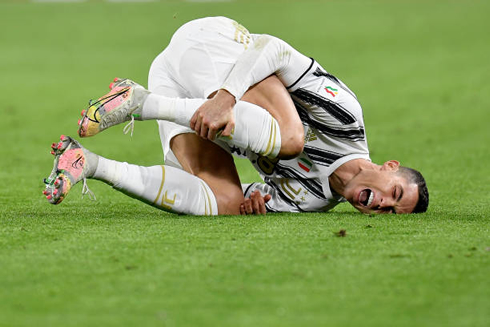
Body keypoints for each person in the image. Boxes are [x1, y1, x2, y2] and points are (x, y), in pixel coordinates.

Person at [43, 16, 428, 215]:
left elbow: (248, 196)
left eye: (391, 211)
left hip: (174, 84)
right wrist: (227, 96)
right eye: (394, 193)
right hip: (210, 44)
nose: (383, 205)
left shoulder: (309, 202)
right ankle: (140, 104)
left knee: (223, 200)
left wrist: (254, 202)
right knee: (291, 141)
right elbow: (272, 48)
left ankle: (88, 163)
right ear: (389, 165)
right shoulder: (346, 118)